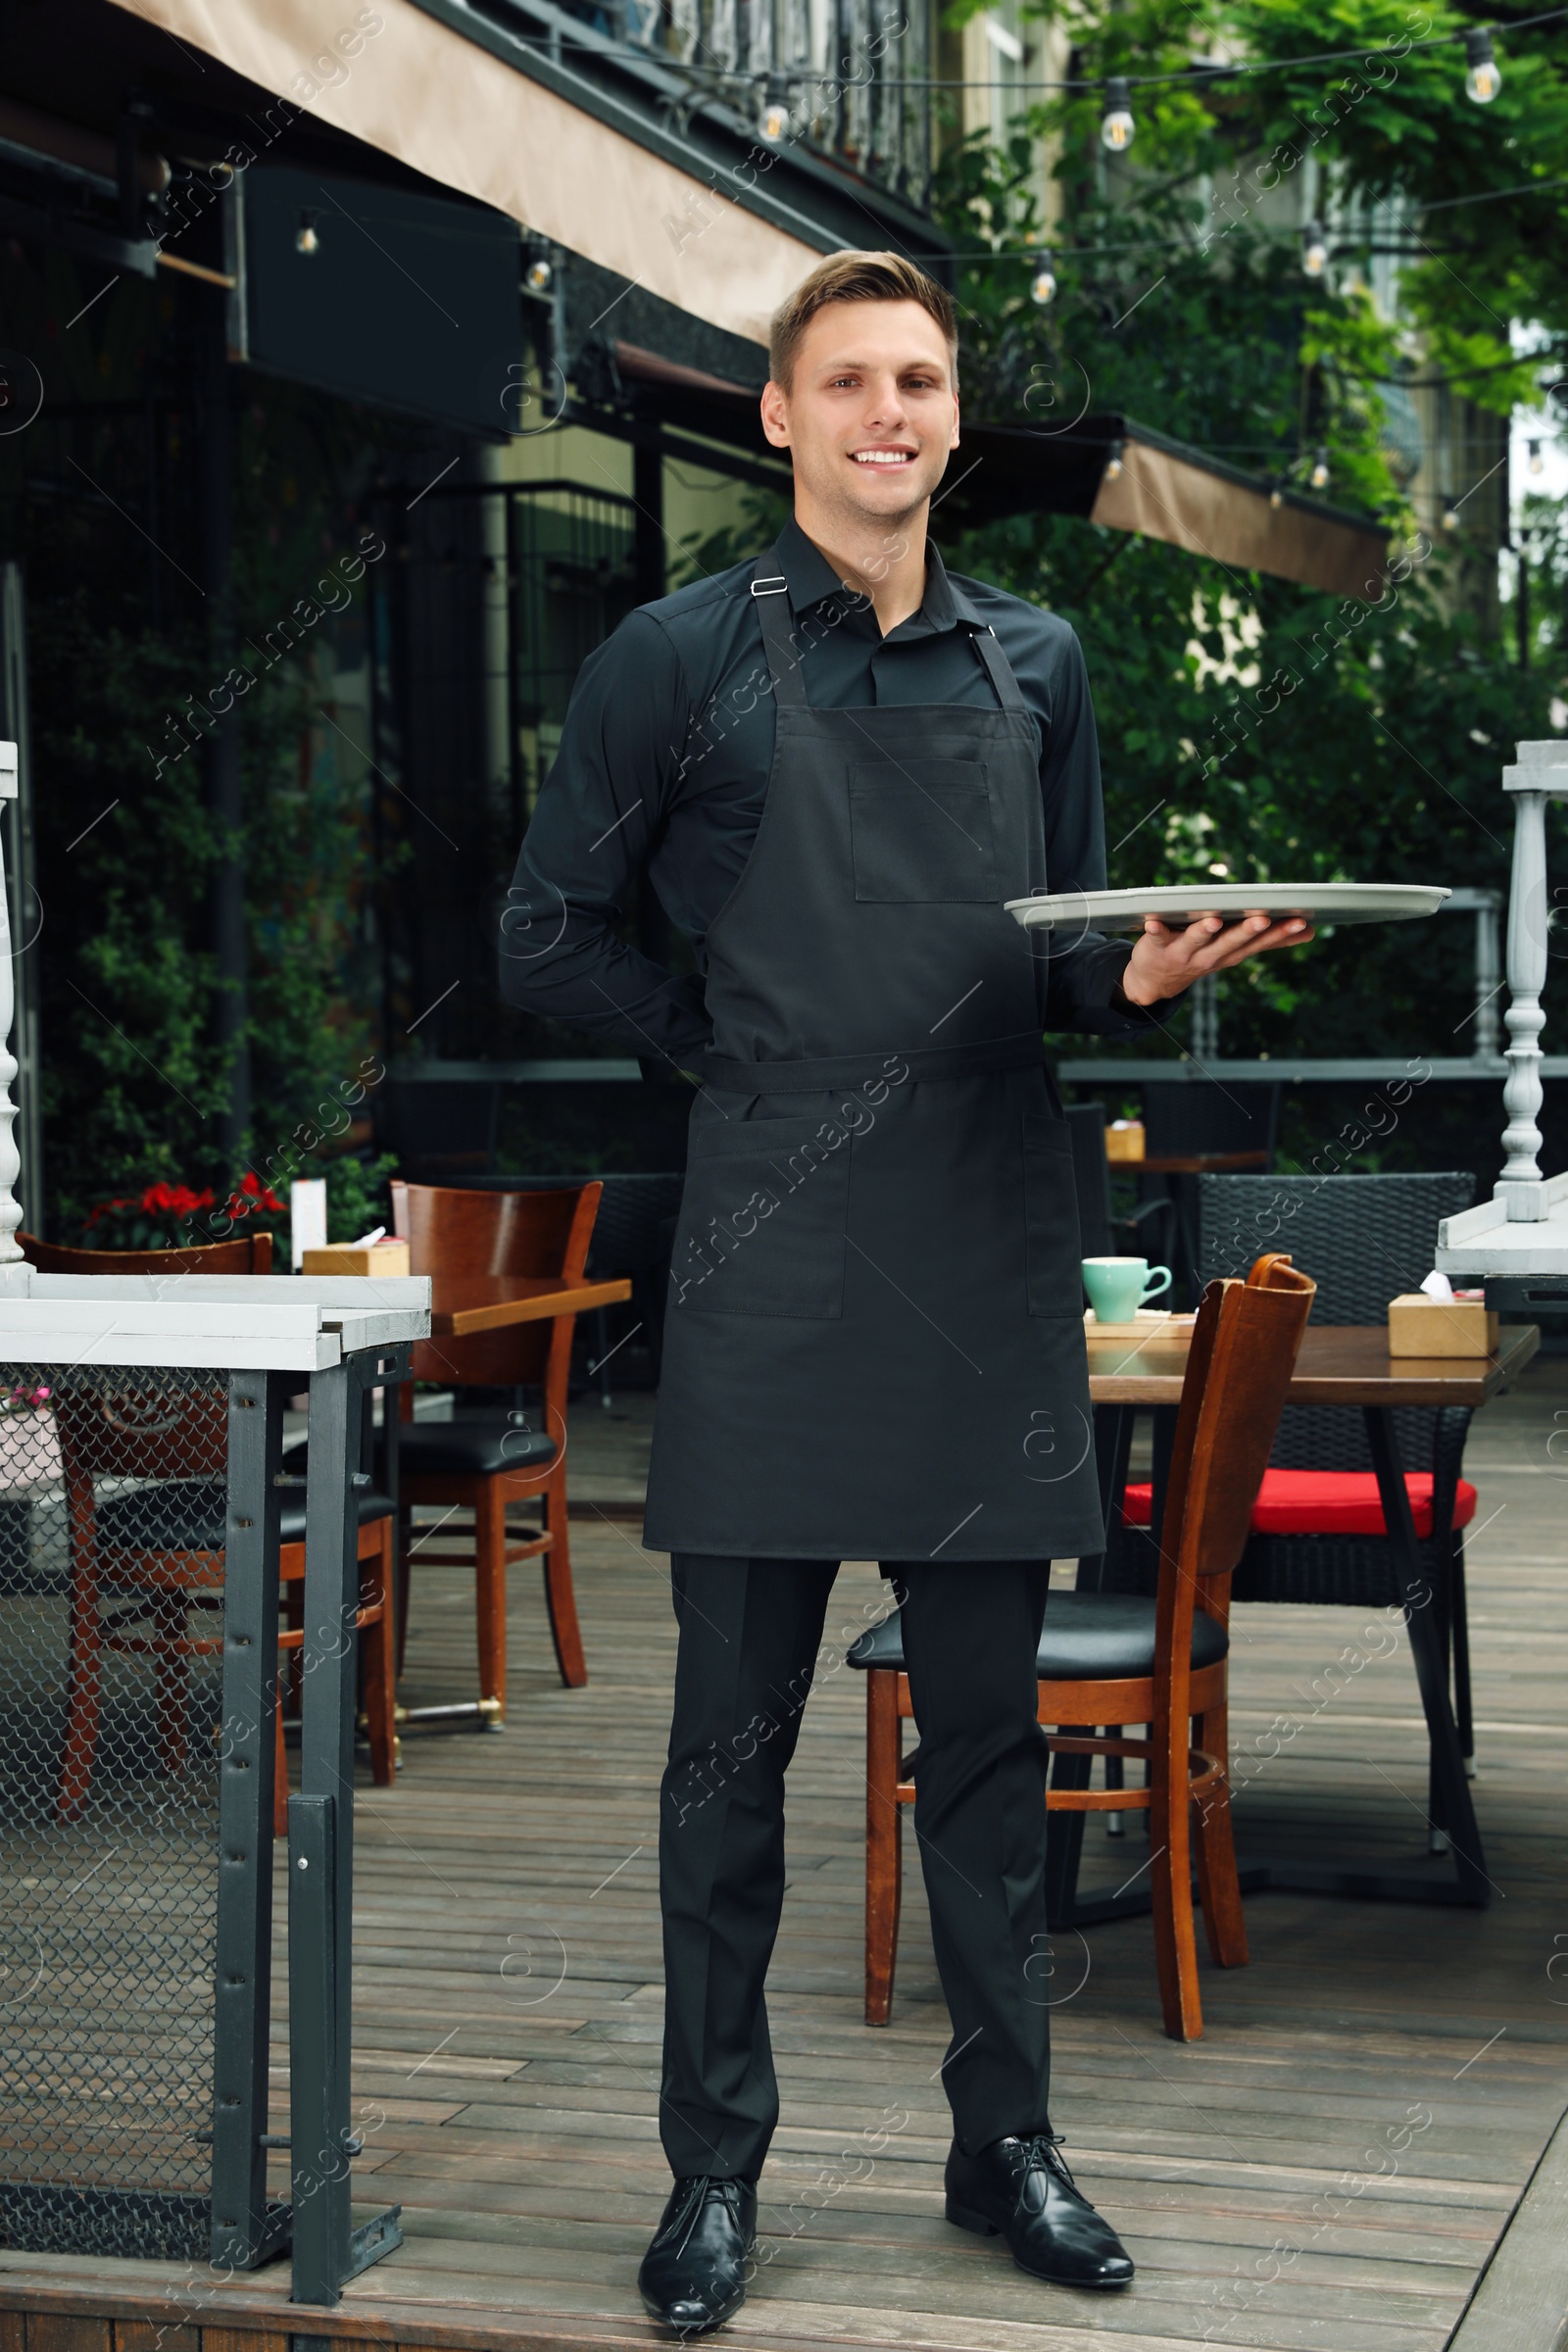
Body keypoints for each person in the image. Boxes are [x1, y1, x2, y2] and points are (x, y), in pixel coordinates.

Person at [500, 251, 1311, 2335]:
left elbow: (1057, 944)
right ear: (777, 416)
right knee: (726, 1763)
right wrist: (726, 1050)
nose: (889, 411)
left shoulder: (1035, 663)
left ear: (951, 420)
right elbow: (544, 931)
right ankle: (710, 2176)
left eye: (922, 381)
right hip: (770, 1264)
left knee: (982, 1752)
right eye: (847, 379)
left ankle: (1003, 2145)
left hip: (978, 1237)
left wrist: (1119, 979)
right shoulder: (667, 662)